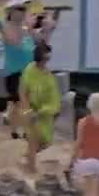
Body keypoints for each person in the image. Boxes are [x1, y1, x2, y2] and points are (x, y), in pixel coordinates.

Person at [0, 0, 54, 159]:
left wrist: (47, 28)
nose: (23, 12)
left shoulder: (25, 29)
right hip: (15, 72)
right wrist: (29, 28)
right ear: (11, 10)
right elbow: (15, 43)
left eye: (25, 9)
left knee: (25, 105)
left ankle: (19, 131)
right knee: (23, 104)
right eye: (20, 8)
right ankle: (20, 133)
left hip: (29, 73)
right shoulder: (7, 27)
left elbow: (42, 44)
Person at [19, 41, 63, 178]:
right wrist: (27, 110)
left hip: (44, 113)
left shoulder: (48, 76)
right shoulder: (29, 70)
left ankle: (26, 160)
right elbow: (23, 92)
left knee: (45, 143)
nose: (48, 60)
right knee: (33, 138)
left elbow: (54, 98)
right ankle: (31, 169)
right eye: (46, 57)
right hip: (31, 110)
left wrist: (45, 111)